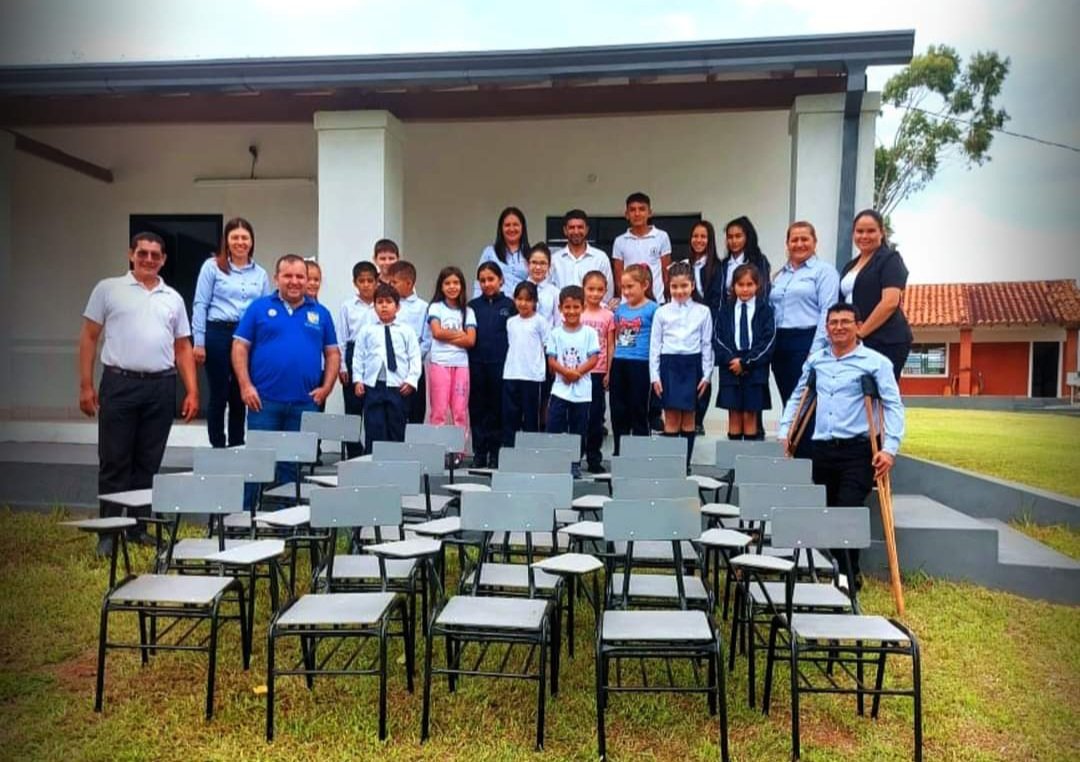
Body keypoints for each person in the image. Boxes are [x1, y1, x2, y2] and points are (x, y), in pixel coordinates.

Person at [80, 232, 199, 553]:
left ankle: (138, 528)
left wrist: (192, 390)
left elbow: (183, 347)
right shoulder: (108, 289)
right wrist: (85, 385)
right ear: (131, 254)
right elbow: (89, 337)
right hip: (119, 384)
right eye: (142, 253)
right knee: (114, 460)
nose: (148, 259)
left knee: (148, 462)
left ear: (163, 259)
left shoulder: (173, 297)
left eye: (155, 255)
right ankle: (108, 533)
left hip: (160, 387)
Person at [777, 301, 905, 588]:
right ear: (826, 328)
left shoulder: (876, 363)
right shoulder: (816, 361)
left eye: (845, 322)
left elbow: (893, 405)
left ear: (858, 326)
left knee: (847, 508)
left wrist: (890, 448)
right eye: (833, 323)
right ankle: (837, 569)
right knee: (829, 510)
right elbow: (799, 396)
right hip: (822, 448)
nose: (839, 327)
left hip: (859, 450)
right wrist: (785, 430)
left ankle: (848, 576)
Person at [232, 254, 340, 487]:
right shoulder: (258, 308)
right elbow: (239, 346)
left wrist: (327, 388)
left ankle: (287, 511)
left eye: (300, 276)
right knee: (256, 464)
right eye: (288, 276)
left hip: (304, 403)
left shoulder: (321, 313)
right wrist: (245, 386)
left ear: (307, 279)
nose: (294, 281)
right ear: (276, 278)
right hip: (263, 402)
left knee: (292, 468)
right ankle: (248, 510)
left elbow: (333, 353)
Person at [191, 217, 271, 448]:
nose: (240, 242)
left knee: (240, 392)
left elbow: (264, 310)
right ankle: (217, 445)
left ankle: (237, 445)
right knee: (219, 393)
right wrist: (199, 341)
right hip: (218, 332)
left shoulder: (260, 274)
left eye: (245, 238)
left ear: (252, 242)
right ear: (226, 241)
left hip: (247, 336)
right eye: (235, 237)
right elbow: (200, 304)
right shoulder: (212, 266)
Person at [649, 261, 714, 473]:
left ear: (692, 285)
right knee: (671, 416)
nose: (679, 291)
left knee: (689, 417)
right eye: (674, 286)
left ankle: (685, 466)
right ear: (668, 286)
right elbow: (655, 346)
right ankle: (671, 466)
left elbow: (707, 344)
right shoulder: (662, 312)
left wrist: (706, 375)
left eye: (684, 286)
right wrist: (654, 376)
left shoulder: (703, 311)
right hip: (669, 365)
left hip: (692, 365)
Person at [769, 221, 840, 408]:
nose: (799, 244)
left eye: (804, 239)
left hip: (806, 340)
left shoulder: (824, 271)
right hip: (780, 343)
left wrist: (815, 350)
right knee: (789, 402)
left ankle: (806, 431)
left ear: (814, 242)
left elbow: (828, 311)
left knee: (805, 403)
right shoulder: (779, 275)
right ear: (787, 244)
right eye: (794, 240)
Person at [840, 209, 913, 380]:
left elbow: (890, 302)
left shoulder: (890, 259)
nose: (864, 236)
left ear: (882, 232)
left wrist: (860, 333)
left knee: (879, 392)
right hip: (857, 341)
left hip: (886, 340)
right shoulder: (850, 266)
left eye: (871, 231)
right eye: (859, 231)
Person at [352, 283, 422, 453]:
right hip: (373, 385)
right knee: (374, 426)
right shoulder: (367, 330)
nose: (384, 306)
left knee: (396, 426)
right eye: (380, 302)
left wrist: (411, 380)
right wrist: (358, 380)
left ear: (397, 307)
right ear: (374, 306)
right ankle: (373, 460)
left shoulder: (406, 331)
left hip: (398, 386)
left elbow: (414, 357)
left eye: (389, 302)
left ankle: (396, 462)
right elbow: (359, 356)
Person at [715, 264, 776, 439]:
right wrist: (732, 360)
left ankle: (748, 453)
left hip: (755, 367)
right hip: (730, 366)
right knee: (734, 412)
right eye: (740, 284)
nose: (745, 289)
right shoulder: (725, 310)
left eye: (750, 284)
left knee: (750, 414)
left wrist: (746, 362)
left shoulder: (765, 310)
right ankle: (733, 455)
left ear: (758, 285)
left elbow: (768, 341)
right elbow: (718, 338)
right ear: (733, 286)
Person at [546, 285, 600, 479]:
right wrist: (565, 373)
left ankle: (574, 463)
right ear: (560, 308)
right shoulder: (555, 333)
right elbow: (551, 360)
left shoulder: (589, 333)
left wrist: (577, 373)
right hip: (560, 389)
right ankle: (555, 461)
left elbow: (594, 358)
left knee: (579, 429)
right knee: (554, 425)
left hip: (582, 392)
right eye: (567, 307)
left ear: (583, 307)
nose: (571, 311)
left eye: (576, 307)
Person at [468, 262, 516, 468]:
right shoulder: (472, 306)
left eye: (491, 279)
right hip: (476, 364)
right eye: (483, 280)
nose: (487, 284)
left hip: (501, 365)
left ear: (501, 280)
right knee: (478, 409)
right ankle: (479, 453)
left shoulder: (510, 305)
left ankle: (496, 453)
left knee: (498, 409)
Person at [609, 264, 658, 456]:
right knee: (618, 409)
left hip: (641, 363)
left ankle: (640, 453)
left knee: (639, 408)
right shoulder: (619, 311)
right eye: (623, 287)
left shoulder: (653, 309)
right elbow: (615, 336)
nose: (626, 291)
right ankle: (620, 451)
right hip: (620, 362)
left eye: (630, 286)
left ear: (645, 285)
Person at [426, 267, 476, 451]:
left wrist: (449, 335)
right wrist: (459, 334)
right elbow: (437, 333)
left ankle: (457, 451)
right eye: (447, 283)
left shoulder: (468, 311)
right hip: (440, 363)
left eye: (456, 283)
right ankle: (437, 450)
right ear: (441, 286)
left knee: (460, 411)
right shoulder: (435, 307)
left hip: (461, 365)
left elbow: (470, 340)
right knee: (439, 410)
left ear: (462, 286)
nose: (452, 287)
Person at [337, 260, 378, 457]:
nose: (366, 285)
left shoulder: (382, 303)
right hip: (353, 354)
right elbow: (341, 338)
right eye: (362, 281)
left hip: (375, 355)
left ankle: (372, 450)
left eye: (370, 280)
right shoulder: (347, 306)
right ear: (355, 283)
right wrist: (342, 366)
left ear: (377, 281)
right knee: (353, 407)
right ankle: (353, 452)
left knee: (374, 407)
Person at [502, 281, 550, 448]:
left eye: (528, 300)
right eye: (520, 299)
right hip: (511, 373)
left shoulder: (540, 322)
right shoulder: (511, 322)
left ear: (535, 301)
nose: (523, 303)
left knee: (531, 417)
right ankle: (509, 450)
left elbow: (547, 346)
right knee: (510, 416)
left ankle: (531, 451)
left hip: (533, 376)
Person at [387, 260, 431, 424]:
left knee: (416, 411)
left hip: (415, 366)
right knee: (394, 412)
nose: (391, 286)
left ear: (409, 283)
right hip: (393, 366)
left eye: (394, 282)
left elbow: (427, 339)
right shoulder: (389, 305)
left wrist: (413, 360)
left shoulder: (423, 307)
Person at [581, 270, 615, 473]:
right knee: (578, 416)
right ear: (583, 288)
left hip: (598, 372)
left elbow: (610, 345)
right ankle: (574, 458)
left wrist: (609, 371)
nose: (595, 293)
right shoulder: (577, 312)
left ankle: (594, 458)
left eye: (599, 290)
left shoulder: (608, 315)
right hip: (578, 373)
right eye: (591, 289)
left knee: (595, 417)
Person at [689, 220, 721, 434]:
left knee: (704, 370)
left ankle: (698, 419)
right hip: (687, 327)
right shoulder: (685, 265)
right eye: (695, 236)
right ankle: (687, 414)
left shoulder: (717, 267)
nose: (698, 240)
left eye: (703, 236)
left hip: (709, 324)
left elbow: (718, 300)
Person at [612, 192, 672, 303]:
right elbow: (618, 277)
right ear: (626, 214)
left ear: (650, 213)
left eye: (642, 209)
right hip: (629, 302)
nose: (637, 213)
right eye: (632, 210)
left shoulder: (661, 237)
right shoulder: (620, 241)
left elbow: (666, 273)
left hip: (656, 301)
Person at [550, 209, 613, 303]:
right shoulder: (554, 259)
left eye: (580, 227)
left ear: (586, 230)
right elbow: (550, 292)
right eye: (572, 227)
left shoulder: (600, 258)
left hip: (594, 312)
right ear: (565, 230)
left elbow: (608, 293)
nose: (576, 231)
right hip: (562, 311)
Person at [474, 206, 529, 298]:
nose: (511, 229)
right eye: (507, 225)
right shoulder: (490, 253)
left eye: (516, 225)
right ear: (501, 228)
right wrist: (476, 304)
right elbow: (479, 282)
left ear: (522, 227)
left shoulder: (530, 254)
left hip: (523, 303)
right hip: (495, 303)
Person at [525, 242, 560, 326]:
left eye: (543, 263)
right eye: (534, 262)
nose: (538, 267)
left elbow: (558, 322)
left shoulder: (555, 293)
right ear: (527, 264)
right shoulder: (519, 289)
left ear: (549, 266)